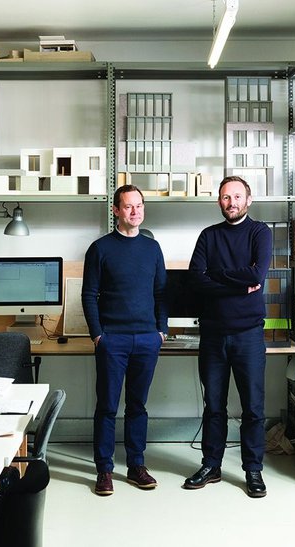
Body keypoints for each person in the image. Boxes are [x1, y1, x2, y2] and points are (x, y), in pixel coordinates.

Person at [183, 175, 272, 498]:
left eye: (237, 196)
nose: (231, 202)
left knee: (253, 407)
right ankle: (211, 465)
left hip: (248, 334)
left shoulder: (259, 232)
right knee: (213, 405)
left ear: (248, 200)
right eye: (225, 197)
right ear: (218, 201)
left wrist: (216, 277)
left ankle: (253, 470)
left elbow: (256, 274)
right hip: (213, 334)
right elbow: (196, 279)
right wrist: (235, 281)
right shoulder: (209, 236)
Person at [81, 184, 168, 496]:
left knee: (137, 405)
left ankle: (136, 466)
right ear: (116, 210)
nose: (136, 212)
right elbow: (89, 294)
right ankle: (104, 470)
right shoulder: (100, 249)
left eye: (140, 206)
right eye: (129, 206)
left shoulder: (152, 248)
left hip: (147, 339)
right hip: (112, 340)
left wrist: (162, 331)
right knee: (106, 406)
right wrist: (97, 335)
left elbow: (161, 294)